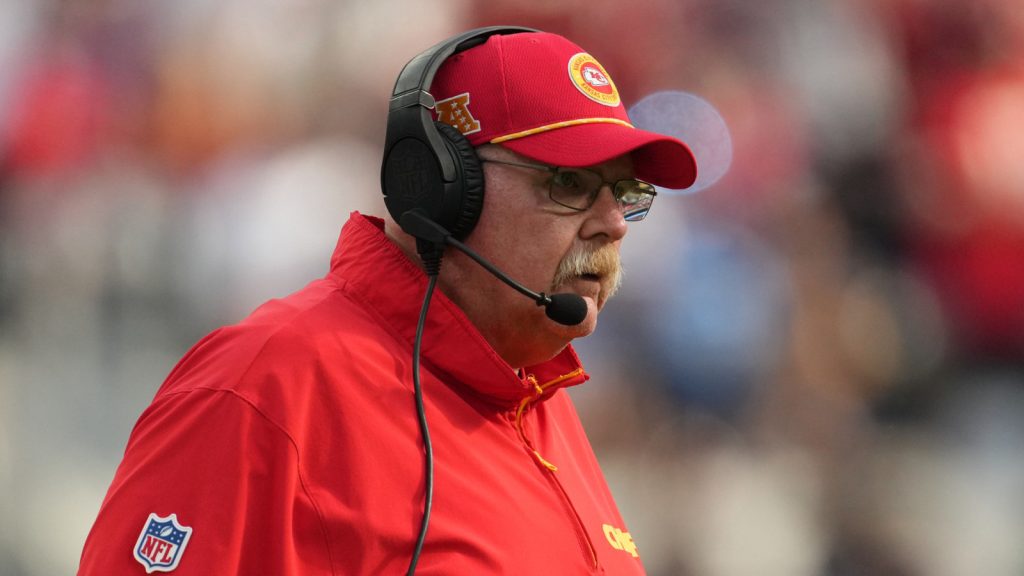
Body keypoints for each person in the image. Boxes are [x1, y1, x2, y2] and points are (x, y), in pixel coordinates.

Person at [78, 27, 696, 575]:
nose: (614, 224)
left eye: (625, 192)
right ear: (439, 186)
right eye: (570, 183)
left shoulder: (538, 398)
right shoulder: (259, 390)